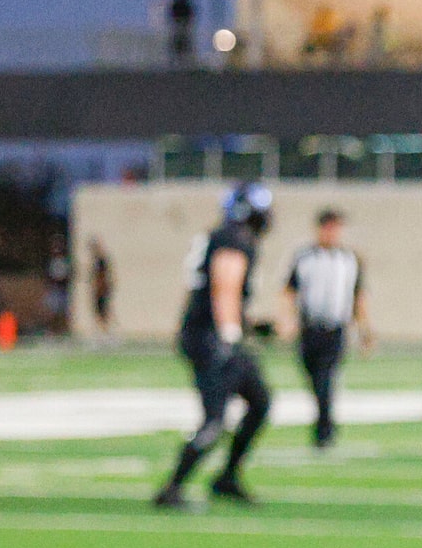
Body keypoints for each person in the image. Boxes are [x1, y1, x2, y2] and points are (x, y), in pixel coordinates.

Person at [154, 181, 274, 509]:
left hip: (210, 333)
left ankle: (227, 476)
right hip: (211, 339)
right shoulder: (234, 239)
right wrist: (231, 336)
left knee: (259, 401)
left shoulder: (227, 236)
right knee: (215, 419)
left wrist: (246, 326)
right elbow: (225, 287)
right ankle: (172, 487)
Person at [284, 208, 369, 449]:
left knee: (326, 380)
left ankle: (324, 432)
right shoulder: (304, 257)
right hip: (310, 329)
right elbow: (289, 291)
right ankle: (326, 421)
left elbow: (358, 296)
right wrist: (287, 321)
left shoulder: (349, 259)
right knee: (315, 381)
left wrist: (364, 331)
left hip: (336, 329)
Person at [87, 238, 115, 333]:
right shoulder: (96, 261)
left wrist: (101, 288)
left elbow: (103, 275)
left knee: (104, 313)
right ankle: (103, 332)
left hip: (101, 290)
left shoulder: (101, 260)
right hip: (98, 290)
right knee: (99, 313)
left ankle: (108, 332)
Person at [166, 0, 197, 67]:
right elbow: (190, 15)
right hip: (181, 26)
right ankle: (179, 60)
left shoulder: (180, 4)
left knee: (182, 43)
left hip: (181, 26)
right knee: (180, 43)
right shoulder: (183, 4)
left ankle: (181, 60)